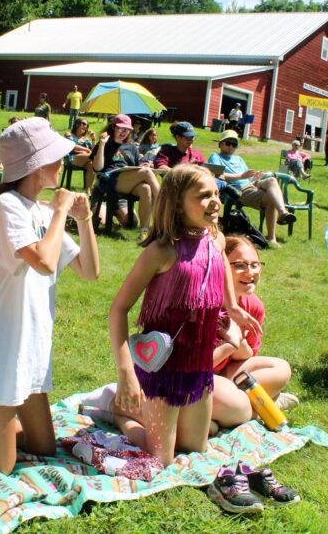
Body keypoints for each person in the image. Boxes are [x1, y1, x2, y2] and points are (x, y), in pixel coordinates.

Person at [0, 117, 99, 474]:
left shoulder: (39, 211)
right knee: (1, 465)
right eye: (57, 157)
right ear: (37, 163)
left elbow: (90, 271)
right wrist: (60, 212)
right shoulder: (9, 206)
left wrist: (83, 221)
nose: (64, 163)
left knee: (43, 447)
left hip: (28, 348)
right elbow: (43, 261)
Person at [108, 164, 261, 466]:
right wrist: (126, 372)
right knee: (160, 459)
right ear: (178, 204)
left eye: (216, 192)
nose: (215, 201)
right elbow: (119, 309)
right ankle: (122, 413)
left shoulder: (215, 239)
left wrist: (231, 307)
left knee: (193, 451)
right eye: (204, 196)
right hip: (162, 367)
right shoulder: (162, 251)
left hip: (200, 365)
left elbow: (220, 269)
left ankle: (157, 418)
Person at [211, 236, 297, 428]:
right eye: (240, 265)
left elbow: (247, 355)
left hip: (226, 372)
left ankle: (223, 413)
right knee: (237, 407)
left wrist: (237, 339)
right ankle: (260, 405)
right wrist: (229, 344)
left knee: (282, 369)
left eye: (255, 265)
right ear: (222, 266)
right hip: (199, 375)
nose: (250, 272)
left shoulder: (254, 305)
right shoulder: (207, 304)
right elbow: (197, 366)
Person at [208, 130, 296, 248]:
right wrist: (241, 176)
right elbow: (218, 175)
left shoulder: (239, 159)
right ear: (220, 144)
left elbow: (248, 179)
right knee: (271, 199)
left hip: (251, 185)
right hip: (238, 189)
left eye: (234, 144)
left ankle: (282, 212)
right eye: (228, 143)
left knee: (272, 180)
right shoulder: (216, 157)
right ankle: (272, 238)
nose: (231, 147)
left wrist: (255, 178)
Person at [92, 114, 161, 241]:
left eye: (127, 129)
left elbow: (135, 167)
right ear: (113, 127)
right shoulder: (105, 144)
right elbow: (97, 168)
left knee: (146, 188)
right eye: (121, 128)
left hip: (127, 181)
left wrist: (144, 164)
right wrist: (101, 145)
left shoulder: (131, 147)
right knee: (146, 173)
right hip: (109, 180)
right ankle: (164, 203)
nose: (125, 132)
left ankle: (144, 232)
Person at [64, 118, 96, 193]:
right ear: (77, 124)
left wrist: (93, 139)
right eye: (83, 124)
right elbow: (72, 146)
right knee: (93, 157)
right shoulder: (69, 134)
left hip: (85, 159)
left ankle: (87, 190)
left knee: (91, 164)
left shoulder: (86, 139)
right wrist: (87, 150)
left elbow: (93, 151)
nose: (85, 126)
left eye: (87, 125)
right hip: (72, 158)